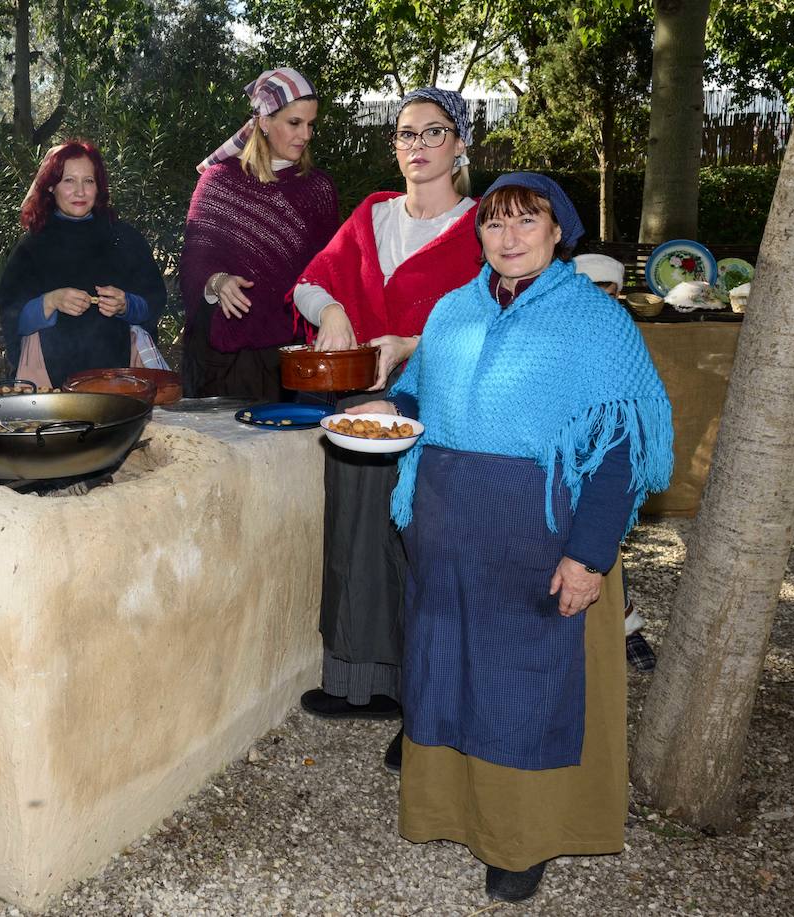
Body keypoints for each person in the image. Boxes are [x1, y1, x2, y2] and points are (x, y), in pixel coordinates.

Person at [359, 173, 672, 902]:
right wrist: (386, 402)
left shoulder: (595, 324)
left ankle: (520, 841)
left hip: (542, 538)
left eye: (526, 222)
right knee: (446, 667)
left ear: (558, 232)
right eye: (496, 223)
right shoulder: (453, 312)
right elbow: (419, 393)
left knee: (526, 686)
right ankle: (443, 808)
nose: (508, 237)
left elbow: (624, 448)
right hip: (447, 531)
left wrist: (589, 555)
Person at [293, 89, 482, 760]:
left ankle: (424, 700)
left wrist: (409, 344)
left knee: (423, 544)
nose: (419, 146)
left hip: (444, 411)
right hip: (359, 408)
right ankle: (357, 681)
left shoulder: (485, 226)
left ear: (461, 143)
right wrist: (334, 310)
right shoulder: (373, 214)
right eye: (407, 134)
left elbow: (495, 324)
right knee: (354, 532)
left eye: (435, 133)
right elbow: (307, 282)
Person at [179, 68, 340, 401]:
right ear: (264, 122)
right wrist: (217, 282)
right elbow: (193, 264)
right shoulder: (218, 183)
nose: (306, 134)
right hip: (223, 359)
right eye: (295, 123)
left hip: (293, 359)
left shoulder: (319, 189)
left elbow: (328, 271)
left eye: (311, 125)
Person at [0, 139, 168, 389]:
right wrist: (50, 301)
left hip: (121, 376)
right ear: (51, 187)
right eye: (69, 181)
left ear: (99, 187)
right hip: (47, 377)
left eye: (88, 181)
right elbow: (13, 318)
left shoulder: (123, 238)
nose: (80, 191)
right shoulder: (33, 247)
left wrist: (126, 304)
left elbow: (153, 301)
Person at [573, 252, 658, 671]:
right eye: (586, 286)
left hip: (608, 452)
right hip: (566, 455)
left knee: (603, 540)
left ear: (618, 291)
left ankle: (625, 626)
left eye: (603, 288)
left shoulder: (620, 333)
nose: (595, 296)